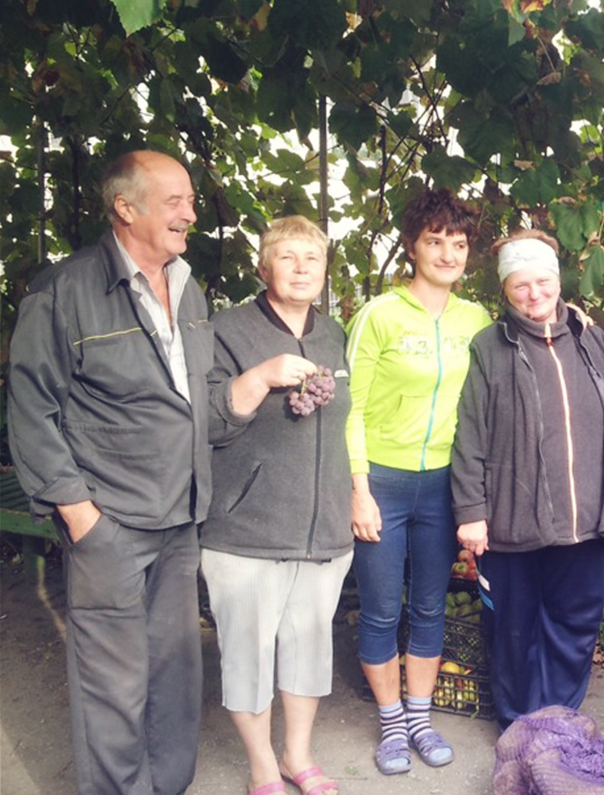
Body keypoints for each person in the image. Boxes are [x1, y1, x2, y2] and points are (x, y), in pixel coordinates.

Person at [7, 150, 211, 794]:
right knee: (113, 683)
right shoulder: (64, 291)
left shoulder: (189, 287)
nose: (190, 213)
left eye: (191, 200)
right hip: (110, 521)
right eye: (175, 200)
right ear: (125, 207)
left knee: (175, 673)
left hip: (181, 514)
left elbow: (196, 397)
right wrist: (78, 514)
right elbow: (31, 409)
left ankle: (167, 786)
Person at [451, 230, 604, 729]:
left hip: (586, 517)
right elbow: (470, 433)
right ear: (505, 290)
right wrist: (471, 512)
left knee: (575, 622)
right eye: (520, 285)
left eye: (542, 282)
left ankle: (558, 720)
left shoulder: (592, 340)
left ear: (558, 281)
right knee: (513, 628)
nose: (534, 294)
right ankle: (519, 725)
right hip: (512, 519)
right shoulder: (490, 347)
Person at [203, 216, 353, 795]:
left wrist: (353, 496)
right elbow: (207, 423)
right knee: (247, 652)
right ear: (264, 267)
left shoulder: (333, 333)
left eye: (312, 258)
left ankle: (297, 755)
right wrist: (262, 376)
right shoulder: (226, 330)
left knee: (310, 647)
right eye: (287, 257)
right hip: (246, 529)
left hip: (322, 530)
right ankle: (262, 765)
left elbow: (349, 423)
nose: (301, 268)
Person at [345, 189, 491, 774]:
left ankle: (421, 719)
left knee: (430, 607)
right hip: (381, 479)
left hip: (443, 484)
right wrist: (358, 490)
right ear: (412, 246)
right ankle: (390, 726)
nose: (448, 254)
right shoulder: (378, 315)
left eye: (458, 243)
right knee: (382, 610)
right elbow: (350, 408)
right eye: (435, 241)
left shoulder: (475, 320)